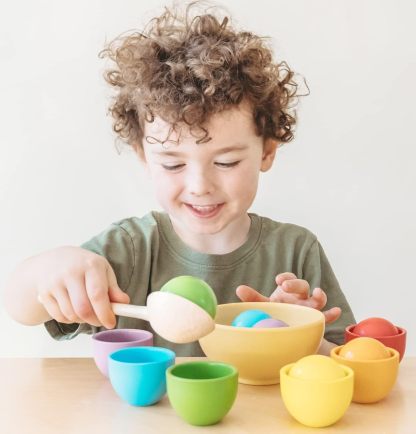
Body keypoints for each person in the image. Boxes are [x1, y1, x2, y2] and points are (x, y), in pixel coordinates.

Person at [3, 2, 355, 356]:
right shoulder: (131, 249)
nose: (200, 186)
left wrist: (300, 334)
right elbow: (21, 307)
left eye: (227, 162)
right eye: (173, 165)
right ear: (145, 156)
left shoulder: (295, 251)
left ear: (266, 152)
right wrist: (50, 268)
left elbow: (349, 360)